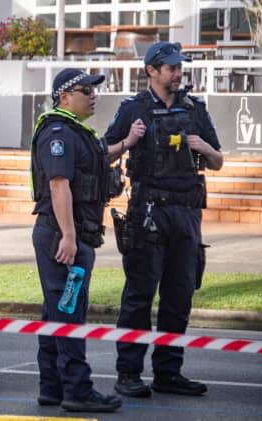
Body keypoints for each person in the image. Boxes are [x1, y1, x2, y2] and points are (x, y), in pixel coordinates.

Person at [106, 42, 223, 398]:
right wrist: (128, 142)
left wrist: (203, 147)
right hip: (148, 213)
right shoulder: (133, 109)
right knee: (139, 296)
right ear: (151, 71)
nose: (178, 72)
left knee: (179, 296)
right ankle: (128, 372)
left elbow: (218, 161)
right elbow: (103, 151)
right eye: (171, 67)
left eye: (179, 66)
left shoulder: (195, 109)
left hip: (187, 213)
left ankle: (168, 373)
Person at [29, 67, 122, 413]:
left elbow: (94, 161)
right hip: (62, 235)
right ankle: (77, 390)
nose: (93, 95)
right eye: (86, 90)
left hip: (73, 234)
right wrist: (68, 236)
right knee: (69, 313)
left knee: (57, 311)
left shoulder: (76, 133)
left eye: (95, 89)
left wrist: (126, 143)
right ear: (64, 97)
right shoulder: (58, 133)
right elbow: (58, 184)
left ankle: (52, 387)